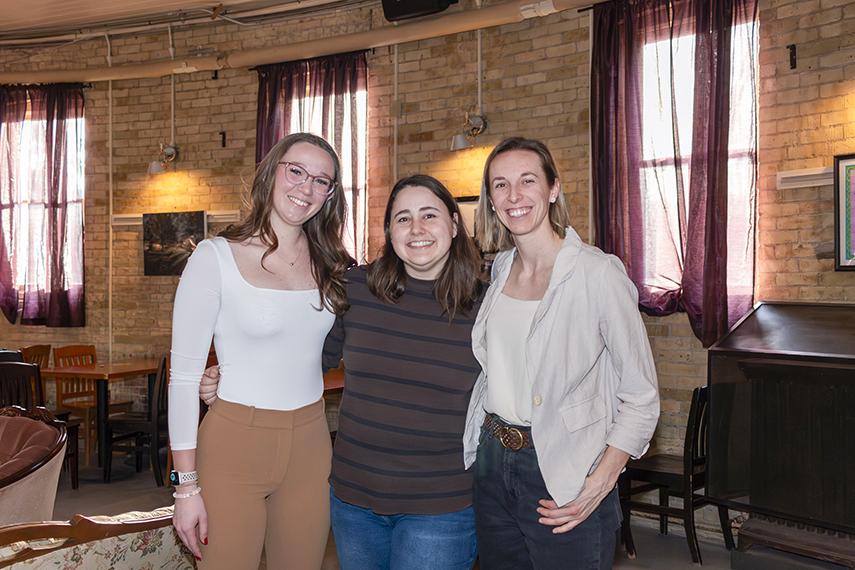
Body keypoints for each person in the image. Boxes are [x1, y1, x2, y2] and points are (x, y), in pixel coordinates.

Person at [200, 174, 484, 569]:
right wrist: (231, 376)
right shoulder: (357, 289)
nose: (416, 229)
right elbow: (304, 357)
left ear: (454, 224)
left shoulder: (485, 304)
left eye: (429, 215)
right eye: (402, 218)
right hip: (355, 501)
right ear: (389, 231)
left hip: (440, 505)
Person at [462, 137, 660, 569]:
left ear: (553, 189)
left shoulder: (598, 273)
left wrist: (601, 481)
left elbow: (641, 397)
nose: (514, 196)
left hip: (562, 466)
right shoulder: (499, 268)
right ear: (491, 200)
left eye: (527, 180)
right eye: (500, 185)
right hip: (494, 461)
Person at [168, 132, 353, 569]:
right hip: (234, 443)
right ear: (272, 173)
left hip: (311, 442)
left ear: (329, 195)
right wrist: (185, 487)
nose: (306, 188)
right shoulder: (215, 257)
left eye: (321, 180)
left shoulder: (332, 265)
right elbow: (183, 378)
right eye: (296, 171)